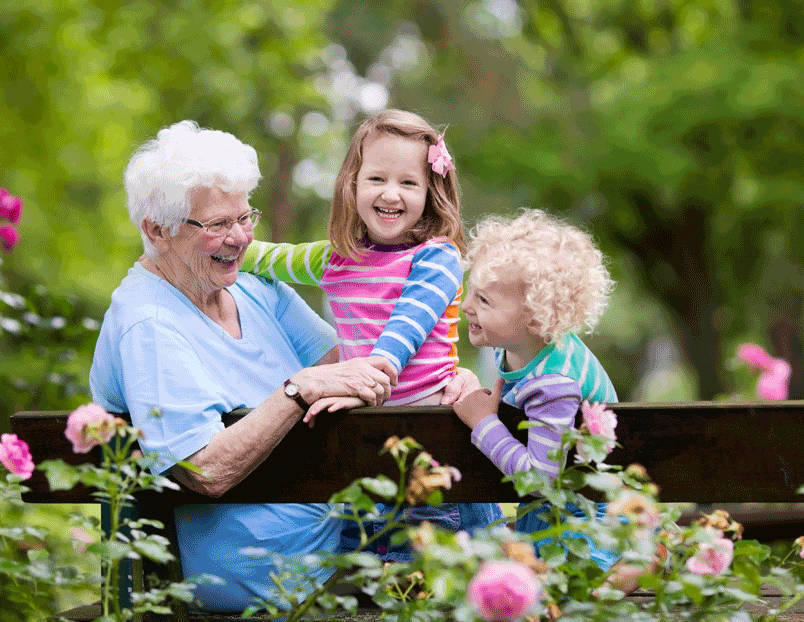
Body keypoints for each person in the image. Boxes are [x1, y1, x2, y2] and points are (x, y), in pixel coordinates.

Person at [88, 120, 476, 612]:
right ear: (156, 230)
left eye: (244, 217)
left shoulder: (249, 287)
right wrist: (296, 390)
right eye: (216, 225)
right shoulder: (149, 325)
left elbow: (350, 363)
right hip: (263, 575)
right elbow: (202, 469)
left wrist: (440, 371)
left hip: (347, 540)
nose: (239, 239)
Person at [240, 109, 503, 560]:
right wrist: (225, 247)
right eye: (377, 178)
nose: (391, 193)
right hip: (368, 455)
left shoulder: (436, 259)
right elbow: (270, 257)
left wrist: (365, 382)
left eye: (408, 183)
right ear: (353, 185)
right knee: (372, 582)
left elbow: (402, 335)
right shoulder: (336, 258)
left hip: (434, 455)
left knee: (442, 585)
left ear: (429, 193)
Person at [452, 208, 653, 592]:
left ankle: (636, 562)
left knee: (573, 591)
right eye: (471, 293)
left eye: (484, 300)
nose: (467, 307)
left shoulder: (554, 383)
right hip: (562, 502)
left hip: (589, 510)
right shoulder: (515, 349)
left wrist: (483, 424)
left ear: (533, 318)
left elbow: (541, 480)